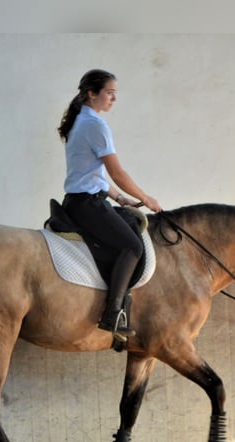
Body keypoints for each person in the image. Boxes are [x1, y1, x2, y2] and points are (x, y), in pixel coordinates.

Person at [57, 69, 162, 340]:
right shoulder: (96, 125)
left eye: (115, 94)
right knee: (133, 246)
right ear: (92, 94)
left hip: (81, 200)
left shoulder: (81, 120)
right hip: (88, 205)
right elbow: (117, 173)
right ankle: (112, 313)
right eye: (109, 93)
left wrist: (119, 198)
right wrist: (146, 197)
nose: (114, 99)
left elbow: (94, 175)